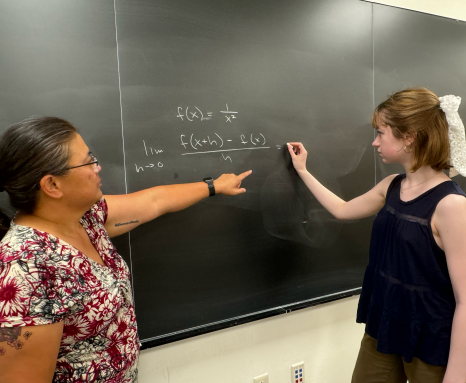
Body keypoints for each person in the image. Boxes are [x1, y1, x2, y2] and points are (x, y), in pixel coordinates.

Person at [0, 116, 252, 383]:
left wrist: (214, 186)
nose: (97, 167)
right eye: (88, 161)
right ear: (52, 185)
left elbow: (154, 201)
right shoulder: (24, 267)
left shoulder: (86, 218)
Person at [287, 88, 466, 383]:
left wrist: (457, 376)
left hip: (430, 337)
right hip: (385, 322)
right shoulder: (391, 186)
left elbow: (464, 300)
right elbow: (342, 210)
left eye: (381, 133)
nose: (375, 141)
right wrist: (303, 171)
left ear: (409, 137)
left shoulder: (451, 206)